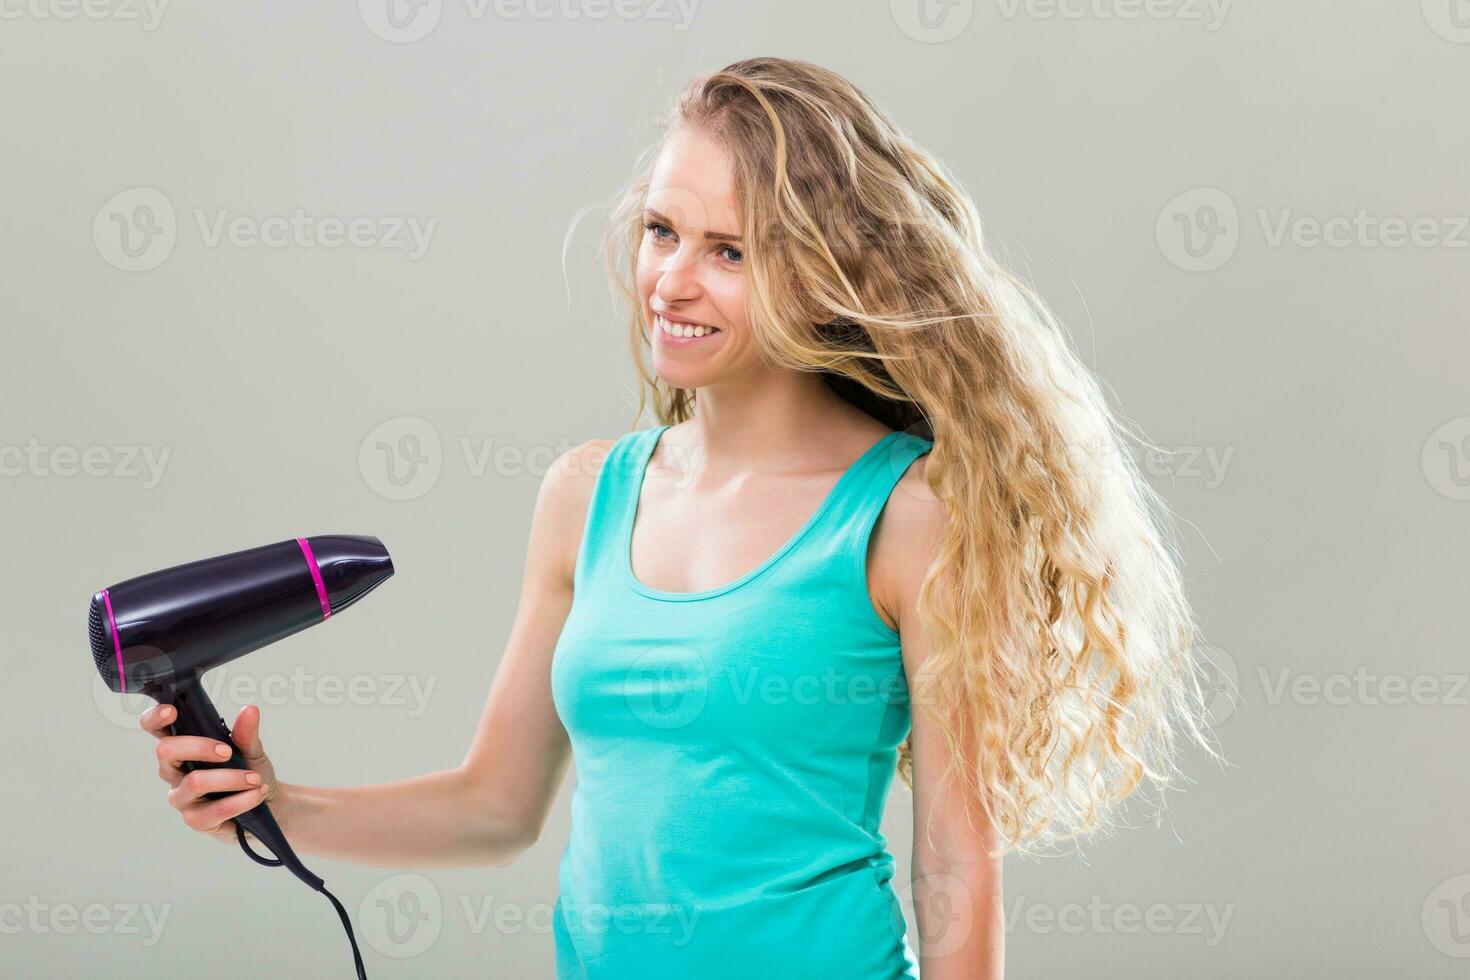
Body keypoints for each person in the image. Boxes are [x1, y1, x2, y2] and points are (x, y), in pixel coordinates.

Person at [138, 57, 1220, 979]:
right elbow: (497, 804)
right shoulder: (584, 494)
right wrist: (275, 803)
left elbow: (952, 864)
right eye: (664, 230)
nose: (673, 279)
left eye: (730, 250)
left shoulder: (905, 513)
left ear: (825, 274)